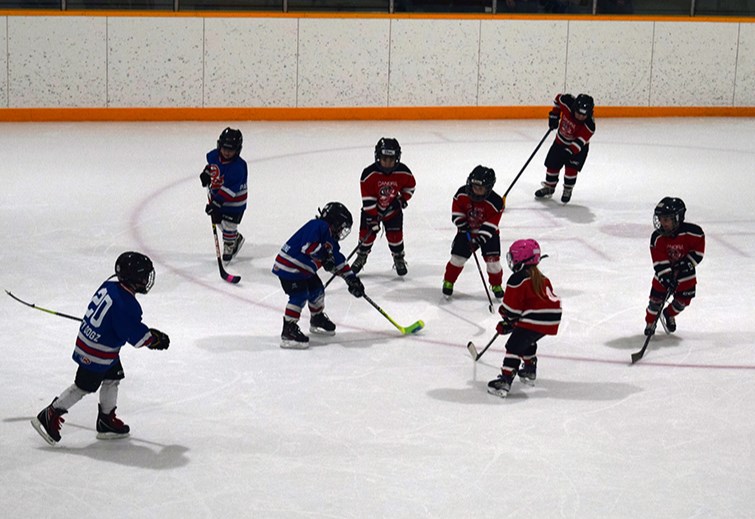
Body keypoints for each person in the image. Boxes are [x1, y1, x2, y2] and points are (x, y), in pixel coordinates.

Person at [31, 252, 170, 445]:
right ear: (134, 277)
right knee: (83, 386)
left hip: (97, 345)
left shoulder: (110, 286)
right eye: (144, 275)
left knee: (113, 377)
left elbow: (115, 320)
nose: (147, 279)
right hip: (96, 353)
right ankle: (49, 414)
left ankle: (106, 421)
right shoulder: (127, 305)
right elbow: (137, 338)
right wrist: (155, 339)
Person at [272, 202, 365, 349]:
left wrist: (352, 279)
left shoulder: (330, 239)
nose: (341, 231)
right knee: (300, 294)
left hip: (303, 271)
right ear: (333, 221)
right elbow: (308, 246)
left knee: (317, 290)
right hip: (289, 268)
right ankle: (288, 329)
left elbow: (338, 261)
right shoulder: (318, 225)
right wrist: (324, 257)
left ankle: (317, 318)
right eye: (341, 226)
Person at [487, 239, 561, 398]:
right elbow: (532, 306)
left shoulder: (517, 279)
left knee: (514, 345)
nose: (512, 262)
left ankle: (505, 381)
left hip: (535, 318)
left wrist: (507, 321)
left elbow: (511, 310)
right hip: (552, 318)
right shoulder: (542, 278)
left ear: (521, 260)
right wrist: (513, 323)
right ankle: (528, 370)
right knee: (527, 339)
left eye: (513, 258)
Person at [351, 138, 416, 277]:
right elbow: (368, 199)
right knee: (366, 236)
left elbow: (410, 186)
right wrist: (373, 218)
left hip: (393, 212)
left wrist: (402, 200)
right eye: (384, 158)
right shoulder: (369, 174)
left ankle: (398, 257)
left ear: (397, 158)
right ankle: (362, 255)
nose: (387, 163)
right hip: (371, 212)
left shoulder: (403, 172)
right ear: (378, 157)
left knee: (396, 237)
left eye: (391, 159)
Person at [644, 197, 705, 336]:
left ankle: (668, 314)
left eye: (666, 219)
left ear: (677, 218)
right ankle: (650, 322)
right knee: (655, 301)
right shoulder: (657, 238)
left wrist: (687, 263)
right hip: (664, 275)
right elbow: (659, 261)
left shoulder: (693, 233)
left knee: (682, 302)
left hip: (685, 275)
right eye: (660, 219)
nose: (662, 223)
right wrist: (666, 278)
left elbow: (698, 251)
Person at [442, 165, 505, 299]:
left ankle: (496, 284)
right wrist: (462, 223)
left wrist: (481, 238)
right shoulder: (461, 193)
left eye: (480, 188)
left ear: (488, 188)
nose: (476, 191)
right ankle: (448, 281)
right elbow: (457, 210)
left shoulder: (496, 202)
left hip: (489, 235)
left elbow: (492, 223)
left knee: (493, 263)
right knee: (457, 258)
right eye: (474, 186)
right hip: (466, 231)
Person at [534, 93, 595, 204]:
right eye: (578, 113)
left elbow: (579, 143)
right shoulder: (567, 102)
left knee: (571, 169)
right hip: (560, 142)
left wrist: (570, 151)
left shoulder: (589, 125)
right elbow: (558, 99)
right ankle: (549, 187)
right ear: (574, 108)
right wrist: (554, 115)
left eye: (584, 115)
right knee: (552, 165)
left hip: (578, 149)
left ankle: (568, 189)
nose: (580, 117)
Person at [200, 127, 248, 262]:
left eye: (231, 150)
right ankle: (235, 238)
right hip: (218, 198)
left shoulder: (238, 168)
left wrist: (215, 203)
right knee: (218, 221)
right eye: (224, 148)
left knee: (229, 226)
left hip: (234, 203)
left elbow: (229, 190)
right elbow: (212, 167)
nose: (227, 152)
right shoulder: (214, 156)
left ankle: (230, 244)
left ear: (237, 150)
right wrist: (206, 173)